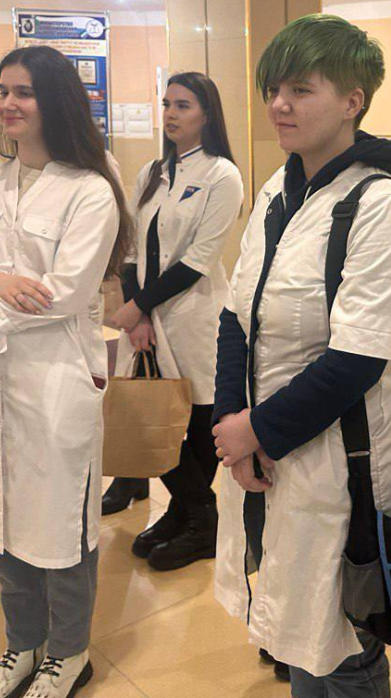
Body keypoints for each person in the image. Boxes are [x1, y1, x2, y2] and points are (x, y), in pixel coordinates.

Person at [211, 14, 391, 696]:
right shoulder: (277, 191)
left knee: (343, 645)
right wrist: (230, 425)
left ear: (352, 101)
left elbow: (357, 360)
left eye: (301, 89)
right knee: (296, 634)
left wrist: (257, 429)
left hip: (343, 463)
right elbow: (236, 314)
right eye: (274, 89)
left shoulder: (381, 203)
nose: (279, 105)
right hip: (270, 451)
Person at [0, 46, 132, 698]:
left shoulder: (90, 189)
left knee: (61, 526)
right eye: (3, 90)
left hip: (54, 382)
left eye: (23, 91)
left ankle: (68, 655)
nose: (8, 103)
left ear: (56, 100)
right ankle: (23, 645)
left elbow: (63, 294)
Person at [101, 71, 244, 572]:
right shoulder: (152, 173)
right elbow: (131, 248)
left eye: (183, 105)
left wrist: (138, 307)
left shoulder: (223, 175)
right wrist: (138, 310)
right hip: (148, 318)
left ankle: (194, 517)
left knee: (199, 416)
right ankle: (195, 513)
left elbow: (199, 260)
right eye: (166, 104)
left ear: (207, 114)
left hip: (196, 316)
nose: (170, 114)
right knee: (147, 416)